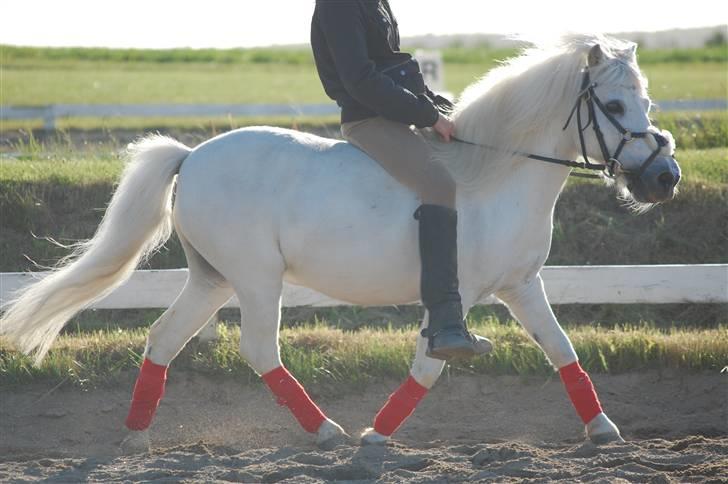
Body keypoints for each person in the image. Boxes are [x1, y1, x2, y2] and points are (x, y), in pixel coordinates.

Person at [310, 0, 491, 360]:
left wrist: (436, 106)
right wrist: (425, 115)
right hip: (368, 120)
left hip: (394, 114)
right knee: (439, 183)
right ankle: (445, 322)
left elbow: (391, 66)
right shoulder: (338, 6)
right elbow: (360, 78)